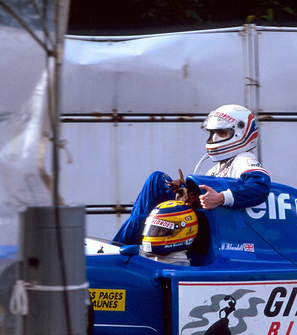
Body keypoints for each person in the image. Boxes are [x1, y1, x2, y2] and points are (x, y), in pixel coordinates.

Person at [113, 104, 270, 246]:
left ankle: (118, 254)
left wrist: (220, 198)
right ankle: (128, 250)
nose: (213, 139)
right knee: (157, 180)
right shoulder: (217, 168)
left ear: (241, 133)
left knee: (138, 222)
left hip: (219, 229)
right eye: (212, 133)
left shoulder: (243, 159)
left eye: (221, 133)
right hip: (205, 219)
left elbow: (260, 186)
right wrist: (188, 194)